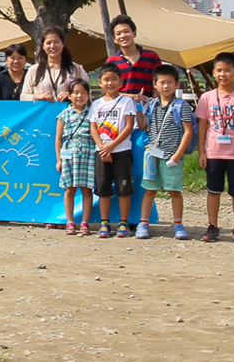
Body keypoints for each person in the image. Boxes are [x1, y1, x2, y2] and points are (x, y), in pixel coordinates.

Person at [195, 52, 234, 244]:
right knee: (213, 190)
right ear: (214, 73)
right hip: (214, 152)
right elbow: (203, 125)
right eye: (219, 70)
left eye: (227, 70)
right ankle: (212, 226)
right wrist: (202, 152)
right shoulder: (207, 97)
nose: (223, 74)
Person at [135, 63, 194, 240]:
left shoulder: (182, 106)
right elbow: (143, 126)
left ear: (177, 84)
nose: (166, 86)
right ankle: (143, 223)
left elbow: (188, 131)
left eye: (170, 82)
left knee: (174, 190)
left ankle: (178, 223)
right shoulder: (151, 104)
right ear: (155, 84)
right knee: (149, 190)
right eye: (162, 82)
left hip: (172, 156)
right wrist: (138, 108)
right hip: (151, 155)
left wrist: (177, 155)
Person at [90, 63, 138, 238]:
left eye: (114, 79)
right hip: (101, 153)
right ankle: (104, 223)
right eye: (106, 80)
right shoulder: (96, 104)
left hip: (122, 151)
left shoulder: (127, 101)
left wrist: (112, 146)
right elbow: (93, 127)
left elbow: (129, 127)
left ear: (121, 81)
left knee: (123, 189)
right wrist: (103, 148)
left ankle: (123, 223)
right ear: (100, 83)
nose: (110, 83)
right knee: (103, 190)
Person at [55, 79, 96, 236]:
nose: (80, 96)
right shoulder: (63, 115)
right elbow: (58, 139)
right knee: (69, 189)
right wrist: (59, 160)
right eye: (76, 92)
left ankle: (85, 222)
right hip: (69, 158)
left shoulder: (93, 113)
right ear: (69, 95)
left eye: (84, 92)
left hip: (88, 156)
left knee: (87, 190)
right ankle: (70, 222)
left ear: (88, 95)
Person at [21, 26, 89, 102]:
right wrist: (37, 96)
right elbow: (23, 97)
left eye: (56, 42)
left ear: (63, 44)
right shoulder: (34, 70)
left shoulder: (76, 69)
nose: (52, 46)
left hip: (68, 109)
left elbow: (87, 93)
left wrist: (71, 95)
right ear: (43, 46)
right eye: (48, 43)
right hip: (43, 109)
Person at [105, 15, 162, 106]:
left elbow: (159, 83)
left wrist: (153, 105)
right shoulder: (112, 62)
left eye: (126, 31)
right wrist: (132, 97)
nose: (123, 36)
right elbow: (106, 91)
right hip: (121, 108)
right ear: (114, 39)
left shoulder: (152, 57)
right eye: (118, 33)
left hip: (147, 108)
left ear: (134, 33)